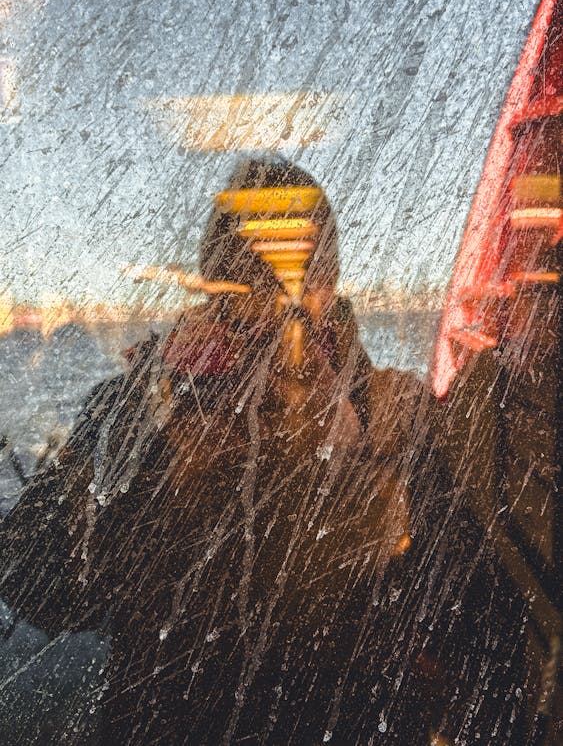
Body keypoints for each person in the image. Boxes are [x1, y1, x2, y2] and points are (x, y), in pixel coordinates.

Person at [0, 159, 527, 745]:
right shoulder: (139, 408)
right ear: (214, 282)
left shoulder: (395, 416)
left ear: (331, 280)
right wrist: (148, 481)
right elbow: (44, 589)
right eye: (253, 276)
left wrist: (357, 486)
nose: (283, 303)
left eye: (305, 272)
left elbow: (472, 617)